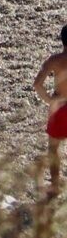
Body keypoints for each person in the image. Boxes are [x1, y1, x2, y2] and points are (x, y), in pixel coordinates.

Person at [33, 25, 67, 192]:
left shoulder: (54, 60)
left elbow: (37, 84)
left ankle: (55, 185)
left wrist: (49, 100)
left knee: (53, 148)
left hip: (60, 106)